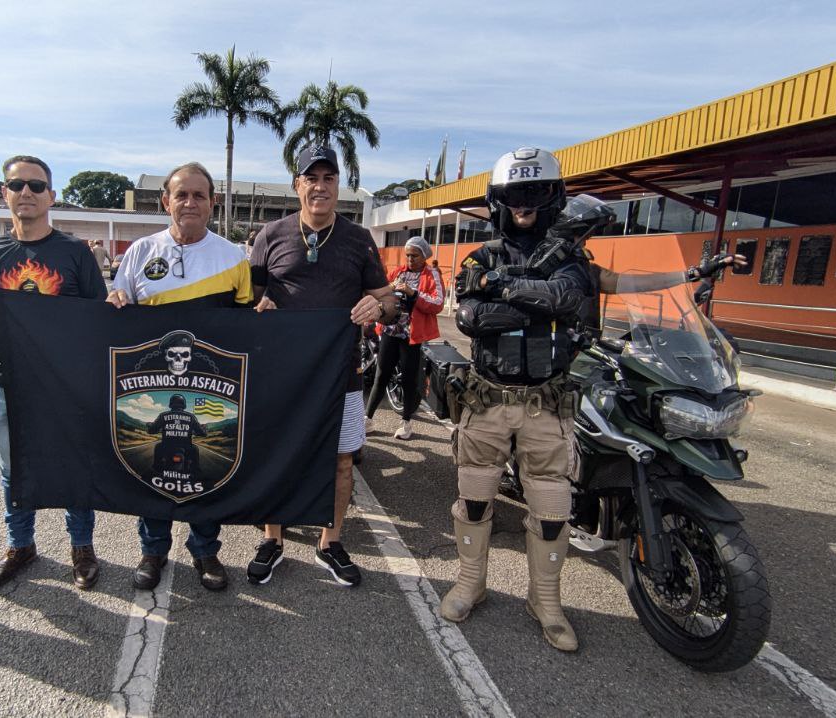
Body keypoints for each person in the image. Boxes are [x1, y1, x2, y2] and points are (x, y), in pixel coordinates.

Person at [440, 147, 594, 652]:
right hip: (486, 399)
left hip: (546, 403)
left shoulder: (571, 259)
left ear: (554, 196)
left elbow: (571, 299)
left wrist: (504, 290)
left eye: (535, 193)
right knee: (475, 496)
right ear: (497, 201)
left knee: (553, 505)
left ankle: (546, 600)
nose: (524, 205)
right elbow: (471, 319)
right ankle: (470, 583)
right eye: (513, 195)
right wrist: (538, 308)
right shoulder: (479, 257)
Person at [245, 145, 397, 587]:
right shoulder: (270, 235)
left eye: (329, 178)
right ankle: (272, 539)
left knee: (342, 461)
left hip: (340, 371)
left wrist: (378, 306)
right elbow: (247, 299)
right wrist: (259, 305)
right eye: (311, 178)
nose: (320, 186)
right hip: (281, 373)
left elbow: (388, 301)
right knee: (276, 457)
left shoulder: (358, 239)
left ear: (337, 187)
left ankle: (330, 542)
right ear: (298, 185)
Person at [0, 155, 108, 591]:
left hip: (66, 386)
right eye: (17, 184)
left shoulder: (74, 254)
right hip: (9, 384)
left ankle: (82, 548)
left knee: (75, 466)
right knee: (12, 470)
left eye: (36, 186)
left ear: (51, 196)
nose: (26, 192)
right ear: (4, 193)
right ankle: (20, 545)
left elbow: (97, 317)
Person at [106, 161, 254, 592]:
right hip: (151, 387)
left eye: (199, 195)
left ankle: (205, 550)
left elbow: (246, 331)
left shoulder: (233, 258)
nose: (190, 202)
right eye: (181, 195)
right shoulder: (139, 252)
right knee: (152, 475)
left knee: (206, 480)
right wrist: (114, 298)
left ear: (213, 203)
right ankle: (152, 552)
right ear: (165, 201)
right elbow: (119, 317)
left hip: (209, 390)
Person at [364, 235, 445, 440]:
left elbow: (437, 303)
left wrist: (413, 292)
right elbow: (382, 292)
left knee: (409, 380)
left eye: (415, 256)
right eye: (408, 256)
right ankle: (367, 419)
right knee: (381, 375)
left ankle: (406, 423)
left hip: (412, 335)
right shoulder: (399, 272)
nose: (410, 260)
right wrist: (390, 288)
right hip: (391, 331)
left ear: (424, 255)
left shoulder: (432, 274)